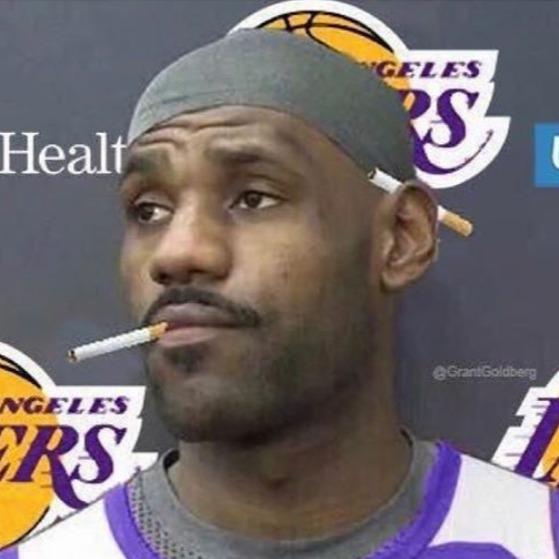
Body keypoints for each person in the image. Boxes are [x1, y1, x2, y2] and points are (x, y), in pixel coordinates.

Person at [3, 28, 556, 559]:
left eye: (253, 197)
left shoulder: (537, 538)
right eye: (148, 209)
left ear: (401, 237)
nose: (177, 251)